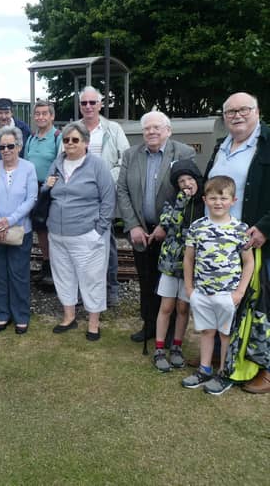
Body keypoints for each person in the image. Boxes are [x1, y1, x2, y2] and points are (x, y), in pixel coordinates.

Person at [204, 91, 270, 394]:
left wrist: (264, 227)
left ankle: (265, 368)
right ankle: (225, 358)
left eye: (244, 109)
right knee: (230, 302)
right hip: (224, 241)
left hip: (258, 239)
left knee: (262, 305)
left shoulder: (267, 142)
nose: (237, 115)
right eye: (230, 112)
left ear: (257, 111)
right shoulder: (222, 146)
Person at [117, 111, 196, 343]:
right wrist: (132, 225)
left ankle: (171, 331)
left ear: (168, 130)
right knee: (146, 278)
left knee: (170, 282)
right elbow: (122, 190)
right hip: (140, 230)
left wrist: (165, 225)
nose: (151, 132)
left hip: (171, 233)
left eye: (156, 128)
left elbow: (188, 191)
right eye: (147, 128)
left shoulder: (183, 152)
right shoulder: (131, 155)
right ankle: (149, 324)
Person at [182, 176, 254, 395]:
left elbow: (248, 262)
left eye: (223, 198)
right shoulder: (197, 227)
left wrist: (239, 292)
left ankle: (224, 373)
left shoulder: (240, 229)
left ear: (233, 200)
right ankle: (205, 369)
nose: (218, 202)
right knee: (206, 331)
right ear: (205, 199)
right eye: (213, 198)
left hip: (228, 294)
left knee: (225, 335)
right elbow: (188, 259)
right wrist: (190, 289)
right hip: (202, 292)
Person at [44, 122, 115, 341]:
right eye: (66, 140)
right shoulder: (57, 164)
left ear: (85, 142)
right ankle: (69, 316)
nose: (70, 144)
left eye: (75, 140)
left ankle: (93, 323)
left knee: (91, 278)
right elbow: (46, 192)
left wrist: (98, 230)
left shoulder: (97, 165)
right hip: (57, 233)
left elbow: (108, 200)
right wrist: (46, 187)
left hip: (87, 233)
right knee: (63, 276)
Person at [0, 127, 38, 334]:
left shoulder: (29, 168)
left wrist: (10, 221)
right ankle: (2, 315)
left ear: (19, 147)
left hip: (20, 230)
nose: (6, 150)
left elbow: (31, 198)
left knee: (19, 274)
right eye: (2, 146)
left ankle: (21, 315)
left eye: (10, 146)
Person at [78, 86, 130, 306]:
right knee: (81, 244)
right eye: (84, 103)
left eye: (93, 102)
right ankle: (83, 291)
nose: (88, 106)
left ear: (100, 104)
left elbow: (125, 159)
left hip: (105, 194)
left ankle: (111, 288)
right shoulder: (74, 129)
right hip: (81, 197)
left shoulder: (113, 129)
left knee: (105, 242)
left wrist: (105, 179)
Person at [152, 160, 204, 372]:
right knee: (167, 306)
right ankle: (159, 348)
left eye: (190, 179)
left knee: (184, 307)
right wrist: (182, 200)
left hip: (192, 265)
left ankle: (177, 346)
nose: (186, 184)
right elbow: (168, 223)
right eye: (181, 181)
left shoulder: (204, 202)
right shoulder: (173, 201)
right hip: (171, 262)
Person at [24, 100, 62, 283]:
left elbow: (62, 164)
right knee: (40, 229)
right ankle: (46, 266)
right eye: (37, 114)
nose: (40, 117)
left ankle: (56, 270)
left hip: (51, 191)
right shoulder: (31, 138)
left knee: (52, 230)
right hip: (33, 189)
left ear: (52, 116)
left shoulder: (57, 137)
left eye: (44, 113)